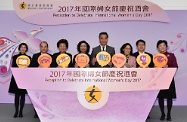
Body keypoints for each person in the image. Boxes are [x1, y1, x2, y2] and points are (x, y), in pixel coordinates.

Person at [156, 40, 178, 121]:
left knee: (169, 97)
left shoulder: (171, 55)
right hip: (159, 79)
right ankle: (162, 114)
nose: (162, 47)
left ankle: (169, 114)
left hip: (169, 79)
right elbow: (152, 70)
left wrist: (168, 66)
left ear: (166, 46)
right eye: (160, 46)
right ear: (158, 48)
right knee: (160, 97)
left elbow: (176, 66)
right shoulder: (156, 57)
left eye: (164, 45)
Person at [8, 43, 31, 118]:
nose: (23, 49)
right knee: (17, 95)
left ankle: (21, 112)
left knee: (23, 95)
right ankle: (16, 111)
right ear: (19, 48)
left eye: (24, 47)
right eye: (21, 47)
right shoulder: (15, 57)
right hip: (16, 78)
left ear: (26, 49)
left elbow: (30, 69)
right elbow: (13, 67)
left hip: (25, 78)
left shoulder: (29, 58)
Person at [30, 41, 51, 118]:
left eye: (45, 46)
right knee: (37, 96)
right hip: (38, 80)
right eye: (42, 46)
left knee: (47, 96)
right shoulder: (35, 56)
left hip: (48, 80)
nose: (43, 48)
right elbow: (31, 68)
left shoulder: (51, 56)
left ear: (47, 48)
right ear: (40, 47)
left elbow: (55, 69)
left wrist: (50, 68)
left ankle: (47, 111)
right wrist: (38, 67)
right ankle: (37, 112)